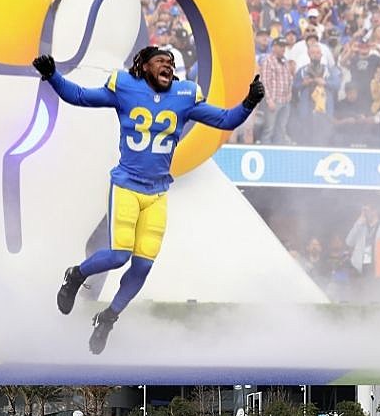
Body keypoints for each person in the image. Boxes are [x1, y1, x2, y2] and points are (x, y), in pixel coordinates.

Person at [35, 46, 263, 353]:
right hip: (127, 185)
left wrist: (249, 102)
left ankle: (108, 317)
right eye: (161, 61)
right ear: (143, 66)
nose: (168, 65)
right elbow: (79, 96)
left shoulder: (184, 96)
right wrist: (52, 76)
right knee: (118, 256)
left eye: (171, 62)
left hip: (157, 192)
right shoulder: (125, 87)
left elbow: (224, 120)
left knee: (142, 266)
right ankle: (75, 275)